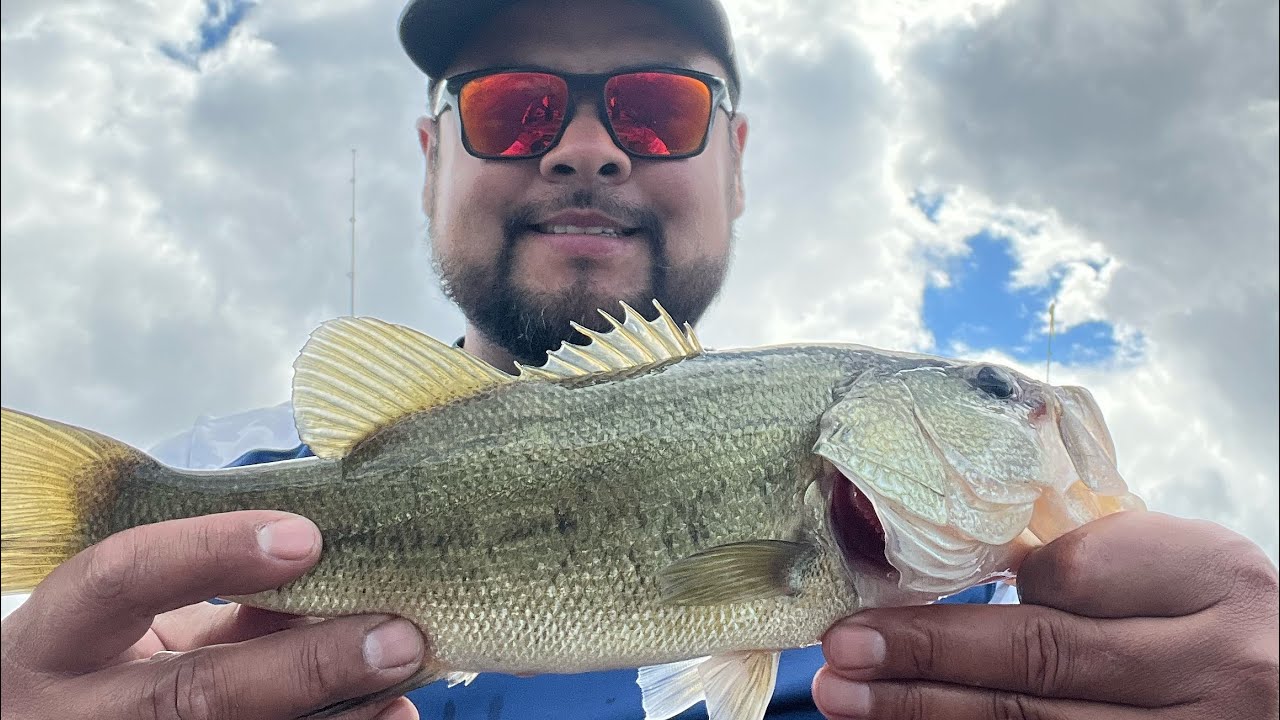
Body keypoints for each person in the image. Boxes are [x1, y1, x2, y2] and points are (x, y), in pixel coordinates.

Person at [1, 0, 1276, 719]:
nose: (586, 148)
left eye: (658, 109)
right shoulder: (196, 509)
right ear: (429, 157)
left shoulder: (1004, 628)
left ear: (736, 161)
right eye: (511, 108)